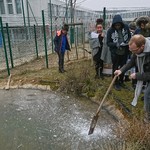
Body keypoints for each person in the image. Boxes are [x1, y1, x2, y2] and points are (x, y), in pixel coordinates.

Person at [114, 35, 150, 123]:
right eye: (131, 51)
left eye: (134, 51)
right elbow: (131, 62)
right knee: (147, 95)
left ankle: (147, 120)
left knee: (148, 95)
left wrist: (137, 76)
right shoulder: (138, 52)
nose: (133, 53)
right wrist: (121, 70)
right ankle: (147, 118)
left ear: (142, 46)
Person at [107, 14, 131, 90]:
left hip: (124, 52)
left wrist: (127, 42)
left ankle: (121, 81)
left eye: (119, 25)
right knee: (115, 67)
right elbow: (108, 43)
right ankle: (115, 82)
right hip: (115, 53)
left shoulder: (126, 28)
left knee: (123, 67)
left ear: (121, 24)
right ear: (114, 25)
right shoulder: (110, 31)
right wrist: (115, 44)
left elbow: (129, 36)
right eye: (116, 25)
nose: (117, 26)